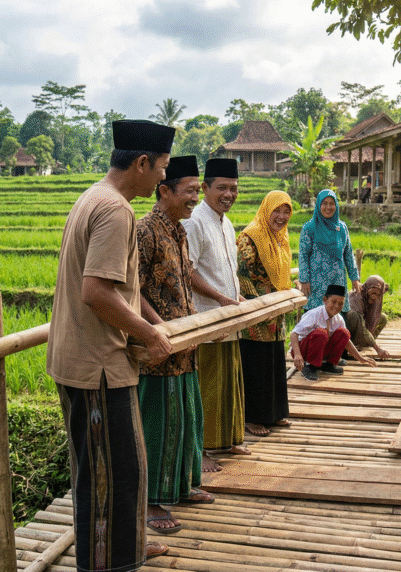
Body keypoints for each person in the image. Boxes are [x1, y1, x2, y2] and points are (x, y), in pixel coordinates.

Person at [46, 119, 174, 568]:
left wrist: (153, 324)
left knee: (118, 469)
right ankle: (108, 563)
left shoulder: (92, 197)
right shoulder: (116, 210)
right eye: (161, 168)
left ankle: (128, 548)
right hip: (97, 364)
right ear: (141, 163)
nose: (163, 178)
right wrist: (149, 334)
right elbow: (97, 292)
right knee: (110, 475)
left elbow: (120, 291)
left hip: (85, 359)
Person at [134, 155, 214, 535]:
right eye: (189, 191)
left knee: (185, 418)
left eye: (198, 191)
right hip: (159, 349)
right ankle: (150, 502)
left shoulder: (180, 231)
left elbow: (185, 281)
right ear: (164, 191)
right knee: (158, 424)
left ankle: (181, 486)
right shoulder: (144, 231)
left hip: (185, 346)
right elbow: (130, 290)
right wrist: (158, 328)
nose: (195, 198)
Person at [182, 157, 247, 471]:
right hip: (207, 318)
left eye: (234, 188)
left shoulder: (227, 222)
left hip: (228, 316)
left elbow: (226, 269)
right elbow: (188, 271)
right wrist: (222, 297)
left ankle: (228, 441)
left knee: (228, 383)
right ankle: (204, 451)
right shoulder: (195, 220)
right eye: (222, 187)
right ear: (205, 187)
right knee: (206, 386)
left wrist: (236, 295)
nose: (229, 194)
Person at [237, 190, 295, 437]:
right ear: (266, 209)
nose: (281, 217)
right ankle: (252, 418)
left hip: (276, 312)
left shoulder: (281, 238)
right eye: (277, 211)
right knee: (256, 364)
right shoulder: (251, 236)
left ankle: (274, 413)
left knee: (273, 361)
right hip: (256, 314)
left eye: (286, 212)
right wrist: (255, 305)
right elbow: (240, 273)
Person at [291, 284, 377, 381]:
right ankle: (309, 367)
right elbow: (294, 334)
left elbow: (347, 341)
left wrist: (360, 358)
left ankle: (328, 364)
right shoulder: (314, 314)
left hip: (318, 351)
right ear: (325, 300)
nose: (336, 306)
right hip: (301, 352)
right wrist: (298, 355)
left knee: (344, 333)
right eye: (333, 301)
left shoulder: (338, 319)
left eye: (340, 303)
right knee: (321, 333)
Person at [299, 189, 360, 311]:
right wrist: (304, 280)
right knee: (316, 324)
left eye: (331, 203)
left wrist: (354, 278)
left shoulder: (342, 228)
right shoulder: (309, 228)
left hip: (337, 282)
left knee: (337, 321)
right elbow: (303, 255)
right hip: (316, 285)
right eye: (324, 203)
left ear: (336, 205)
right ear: (319, 205)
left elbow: (348, 254)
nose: (328, 207)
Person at [344, 275, 392, 359]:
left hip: (362, 322)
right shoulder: (357, 296)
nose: (374, 296)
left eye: (377, 294)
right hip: (350, 327)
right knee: (355, 316)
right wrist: (377, 349)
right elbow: (361, 327)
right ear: (367, 288)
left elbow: (373, 316)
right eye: (373, 293)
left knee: (383, 318)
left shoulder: (375, 297)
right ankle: (354, 343)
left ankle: (367, 342)